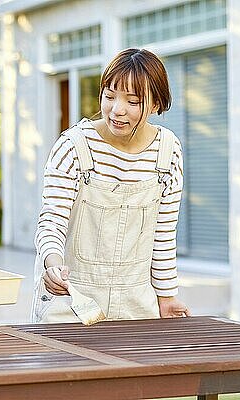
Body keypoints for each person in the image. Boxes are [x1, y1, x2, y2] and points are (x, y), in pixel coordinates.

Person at [32, 48, 190, 323]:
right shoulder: (73, 147)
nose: (117, 110)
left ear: (155, 104)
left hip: (137, 303)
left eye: (133, 101)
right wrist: (53, 264)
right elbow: (52, 221)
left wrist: (166, 298)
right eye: (109, 96)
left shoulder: (168, 151)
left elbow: (164, 235)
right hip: (71, 299)